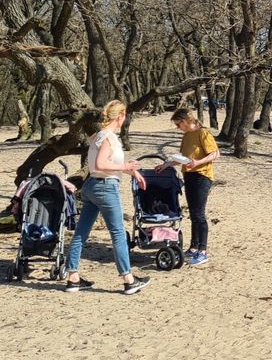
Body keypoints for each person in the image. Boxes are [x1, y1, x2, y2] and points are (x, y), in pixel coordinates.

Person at [65, 100, 152, 295]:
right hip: (105, 188)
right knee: (118, 233)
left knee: (81, 232)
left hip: (92, 186)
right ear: (120, 116)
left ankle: (73, 277)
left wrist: (132, 172)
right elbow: (102, 164)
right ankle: (128, 280)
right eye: (125, 116)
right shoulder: (109, 138)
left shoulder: (97, 136)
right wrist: (125, 167)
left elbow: (103, 165)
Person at [155, 107, 219, 266]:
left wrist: (198, 162)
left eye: (178, 124)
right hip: (188, 175)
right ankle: (193, 247)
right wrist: (167, 164)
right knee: (193, 213)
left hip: (202, 176)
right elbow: (184, 158)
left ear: (185, 121)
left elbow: (216, 153)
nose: (178, 128)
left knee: (199, 214)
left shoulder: (203, 133)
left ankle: (202, 251)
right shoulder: (186, 136)